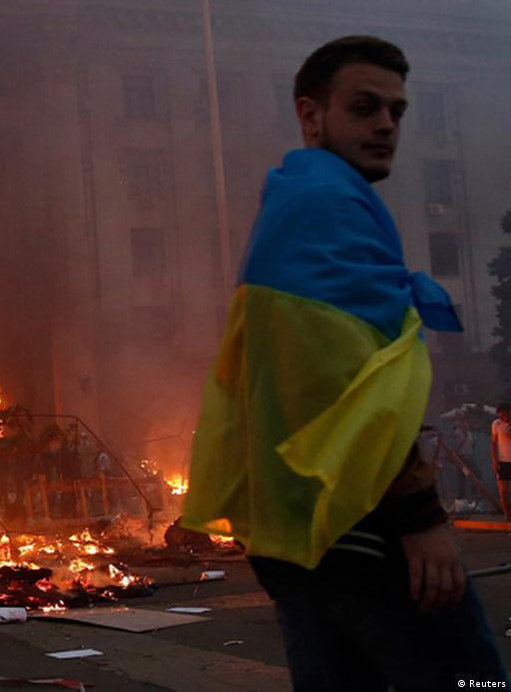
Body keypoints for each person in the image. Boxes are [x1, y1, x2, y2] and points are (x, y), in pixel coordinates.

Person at [181, 36, 505, 689]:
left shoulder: (299, 199)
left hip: (303, 533)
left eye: (396, 110)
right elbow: (344, 382)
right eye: (364, 107)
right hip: (362, 527)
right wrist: (419, 519)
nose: (386, 124)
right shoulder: (327, 204)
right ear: (310, 115)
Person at [491, 403, 511, 521]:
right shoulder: (496, 424)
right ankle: (507, 515)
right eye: (501, 416)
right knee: (503, 490)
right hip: (502, 461)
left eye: (505, 415)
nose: (503, 418)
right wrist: (494, 460)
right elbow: (493, 443)